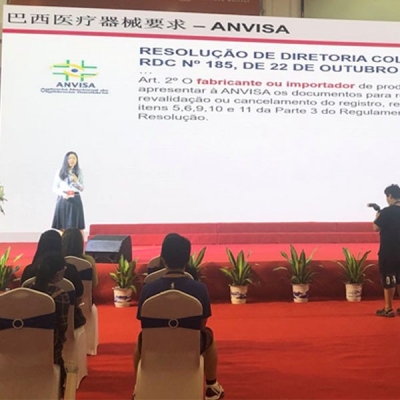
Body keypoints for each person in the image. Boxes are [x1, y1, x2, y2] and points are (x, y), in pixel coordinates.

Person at [134, 233, 224, 400]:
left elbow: (144, 324)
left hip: (154, 346)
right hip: (190, 346)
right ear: (188, 260)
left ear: (162, 259)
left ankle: (138, 387)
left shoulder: (148, 289)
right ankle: (211, 385)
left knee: (141, 338)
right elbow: (202, 325)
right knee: (209, 335)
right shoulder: (200, 289)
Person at [21, 229, 86, 328]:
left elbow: (23, 298)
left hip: (31, 324)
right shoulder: (70, 270)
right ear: (60, 246)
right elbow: (78, 298)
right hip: (67, 324)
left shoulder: (29, 271)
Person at [25, 252, 69, 395]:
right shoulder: (60, 295)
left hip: (20, 348)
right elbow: (62, 327)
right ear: (59, 273)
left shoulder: (25, 291)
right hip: (49, 351)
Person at [373, 184, 400, 317]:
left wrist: (377, 216)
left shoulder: (386, 212)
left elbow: (375, 227)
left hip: (389, 250)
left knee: (388, 278)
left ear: (390, 196)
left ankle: (388, 308)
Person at [52, 151, 85, 232]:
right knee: (62, 225)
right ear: (66, 160)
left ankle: (77, 240)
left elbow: (81, 188)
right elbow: (55, 187)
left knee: (76, 225)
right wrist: (63, 194)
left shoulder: (79, 171)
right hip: (63, 199)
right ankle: (62, 240)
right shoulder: (60, 171)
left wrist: (76, 181)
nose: (72, 160)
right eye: (70, 158)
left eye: (74, 158)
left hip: (75, 199)